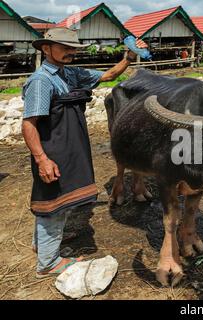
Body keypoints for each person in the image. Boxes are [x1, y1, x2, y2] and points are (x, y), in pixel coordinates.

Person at [21, 28, 147, 278]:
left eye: (73, 49)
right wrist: (42, 159)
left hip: (70, 145)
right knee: (53, 202)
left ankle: (42, 242)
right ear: (46, 48)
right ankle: (48, 263)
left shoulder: (71, 74)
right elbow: (28, 124)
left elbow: (110, 75)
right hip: (53, 148)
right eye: (65, 48)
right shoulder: (41, 81)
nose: (71, 53)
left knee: (61, 198)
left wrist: (129, 57)